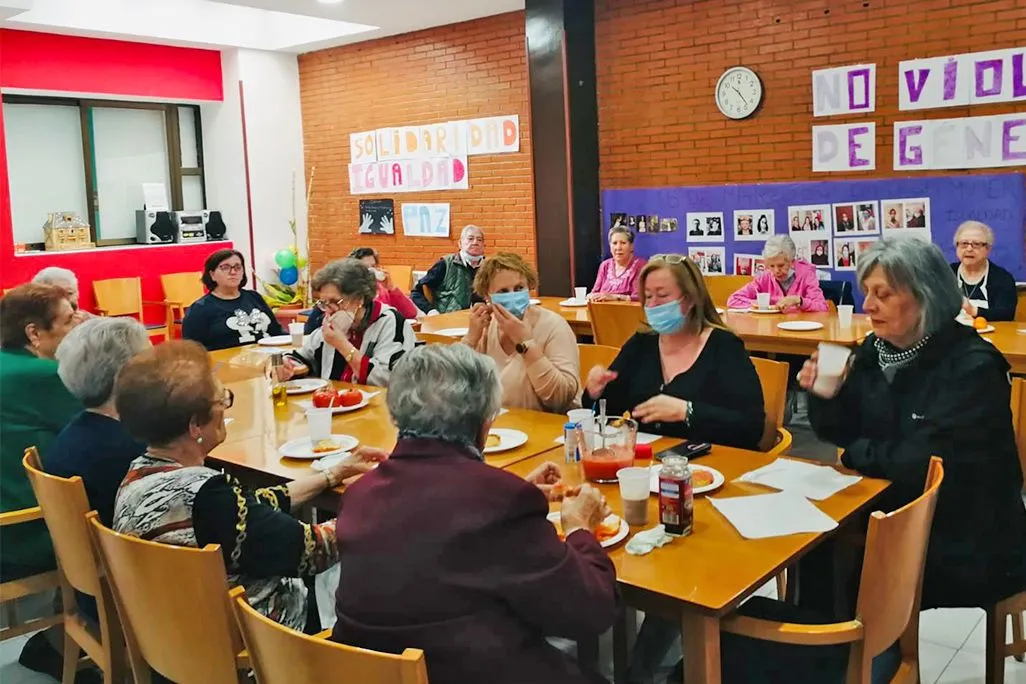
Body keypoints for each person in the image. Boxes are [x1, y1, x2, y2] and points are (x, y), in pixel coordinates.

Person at [333, 344, 618, 684]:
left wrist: (508, 493)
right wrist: (580, 529)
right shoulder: (498, 502)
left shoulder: (359, 493)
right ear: (483, 422)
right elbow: (590, 612)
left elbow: (440, 530)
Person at [799, 238, 1026, 614]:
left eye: (882, 294)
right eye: (866, 292)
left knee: (842, 560)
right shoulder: (875, 349)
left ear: (926, 296)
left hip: (967, 532)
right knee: (812, 540)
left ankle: (862, 659)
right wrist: (825, 393)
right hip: (897, 503)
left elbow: (921, 462)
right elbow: (838, 432)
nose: (867, 305)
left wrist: (858, 453)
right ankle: (827, 656)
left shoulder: (973, 367)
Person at [113, 340, 384, 631]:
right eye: (222, 400)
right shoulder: (209, 499)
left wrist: (330, 475)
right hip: (261, 637)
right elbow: (314, 551)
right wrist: (377, 503)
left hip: (178, 634)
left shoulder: (138, 476)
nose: (226, 406)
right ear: (195, 426)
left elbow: (249, 507)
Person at [584, 255, 764, 446]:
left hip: (712, 465)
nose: (652, 305)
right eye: (648, 296)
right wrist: (595, 393)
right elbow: (607, 415)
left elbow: (751, 427)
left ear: (691, 298)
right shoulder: (641, 344)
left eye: (662, 296)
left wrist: (687, 411)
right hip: (649, 464)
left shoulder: (724, 346)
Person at [0, 284, 84, 681]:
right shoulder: (44, 375)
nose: (78, 325)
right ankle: (75, 641)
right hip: (26, 529)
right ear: (34, 333)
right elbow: (100, 424)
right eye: (69, 320)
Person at [48, 318, 151, 527]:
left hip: (85, 552)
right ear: (127, 375)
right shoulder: (134, 451)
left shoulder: (74, 432)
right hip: (130, 554)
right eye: (152, 363)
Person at [465, 253, 580, 413]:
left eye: (519, 288)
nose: (512, 295)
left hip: (547, 428)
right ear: (487, 296)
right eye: (503, 291)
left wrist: (526, 343)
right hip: (501, 427)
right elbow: (457, 389)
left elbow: (560, 398)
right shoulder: (486, 327)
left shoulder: (553, 325)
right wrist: (471, 339)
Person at [283, 259, 415, 386]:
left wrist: (342, 345)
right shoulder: (329, 324)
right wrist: (289, 366)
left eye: (336, 302)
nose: (329, 310)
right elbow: (303, 356)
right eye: (323, 303)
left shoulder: (389, 322)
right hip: (333, 403)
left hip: (379, 405)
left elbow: (387, 380)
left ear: (359, 299)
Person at [182, 248, 284, 350]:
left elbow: (276, 332)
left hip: (268, 358)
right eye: (225, 267)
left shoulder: (254, 297)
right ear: (212, 275)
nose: (233, 272)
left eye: (238, 267)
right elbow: (192, 352)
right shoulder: (200, 308)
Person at [303, 247, 423, 333]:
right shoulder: (335, 296)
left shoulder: (383, 291)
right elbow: (309, 331)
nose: (370, 272)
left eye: (373, 267)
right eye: (365, 268)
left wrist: (392, 288)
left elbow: (411, 313)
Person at [726, 236, 829, 312]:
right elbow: (733, 300)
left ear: (792, 262)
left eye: (780, 265)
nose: (776, 271)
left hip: (800, 331)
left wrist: (798, 300)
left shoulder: (806, 274)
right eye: (771, 266)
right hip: (772, 330)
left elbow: (822, 307)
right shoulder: (765, 277)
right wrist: (761, 304)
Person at [950, 220, 1017, 321]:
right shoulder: (946, 273)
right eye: (964, 243)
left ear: (988, 249)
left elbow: (1006, 315)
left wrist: (973, 310)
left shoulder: (1002, 278)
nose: (969, 249)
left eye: (976, 244)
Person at [411, 225, 486, 314]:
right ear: (460, 243)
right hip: (445, 319)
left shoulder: (487, 268)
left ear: (484, 245)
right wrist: (430, 311)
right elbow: (416, 292)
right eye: (470, 239)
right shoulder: (445, 264)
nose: (475, 242)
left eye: (479, 239)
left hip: (475, 320)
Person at [589, 226, 646, 302]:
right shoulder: (605, 265)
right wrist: (591, 296)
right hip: (602, 311)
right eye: (614, 243)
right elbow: (595, 292)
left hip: (629, 312)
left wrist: (615, 297)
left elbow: (639, 297)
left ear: (631, 246)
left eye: (623, 243)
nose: (618, 247)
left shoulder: (641, 265)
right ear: (610, 246)